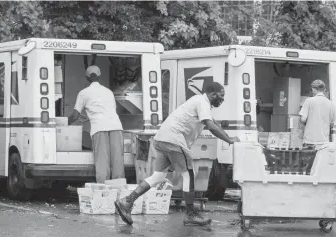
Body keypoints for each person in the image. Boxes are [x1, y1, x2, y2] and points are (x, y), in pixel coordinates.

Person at [115, 82, 240, 226]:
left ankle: (126, 201)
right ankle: (190, 214)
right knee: (189, 175)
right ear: (213, 95)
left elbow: (213, 122)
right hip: (174, 140)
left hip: (161, 139)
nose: (222, 100)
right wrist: (229, 139)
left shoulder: (198, 101)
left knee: (158, 176)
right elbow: (211, 126)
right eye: (221, 96)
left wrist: (229, 137)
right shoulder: (202, 102)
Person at [68, 65, 125, 183]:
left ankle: (103, 190)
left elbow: (75, 115)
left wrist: (63, 124)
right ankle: (118, 188)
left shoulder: (83, 93)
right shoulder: (108, 92)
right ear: (99, 77)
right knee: (117, 160)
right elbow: (111, 110)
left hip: (99, 127)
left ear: (87, 78)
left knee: (102, 160)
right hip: (116, 126)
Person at [299, 79, 336, 149]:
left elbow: (303, 119)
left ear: (313, 89)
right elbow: (332, 123)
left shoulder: (309, 101)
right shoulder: (331, 104)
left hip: (310, 141)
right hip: (324, 142)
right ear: (324, 89)